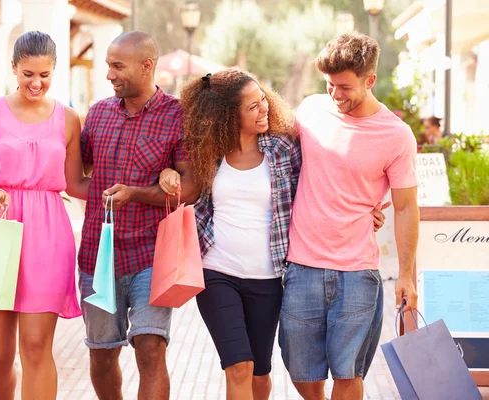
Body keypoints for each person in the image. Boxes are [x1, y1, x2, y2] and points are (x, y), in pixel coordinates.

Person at [158, 70, 387, 400]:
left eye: (262, 100)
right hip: (216, 272)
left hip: (269, 279)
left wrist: (366, 212)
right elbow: (181, 176)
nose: (263, 108)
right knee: (238, 366)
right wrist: (168, 172)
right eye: (252, 106)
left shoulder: (284, 149)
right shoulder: (208, 152)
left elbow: (325, 186)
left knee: (260, 372)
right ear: (227, 114)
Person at [279, 32, 419, 400]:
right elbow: (279, 162)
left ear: (370, 80)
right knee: (301, 372)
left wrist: (406, 276)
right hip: (302, 265)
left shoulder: (396, 135)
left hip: (358, 272)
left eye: (344, 87)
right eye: (329, 85)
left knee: (348, 372)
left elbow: (405, 207)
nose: (336, 95)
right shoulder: (309, 111)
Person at [0, 31, 86, 400]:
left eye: (45, 75)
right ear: (14, 68)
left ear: (54, 71)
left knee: (35, 347)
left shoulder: (68, 119)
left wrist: (139, 190)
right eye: (28, 73)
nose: (36, 83)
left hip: (48, 234)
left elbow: (75, 183)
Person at [77, 31, 197, 400]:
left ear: (147, 65)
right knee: (102, 354)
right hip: (98, 257)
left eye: (117, 66)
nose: (109, 74)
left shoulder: (177, 116)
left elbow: (190, 188)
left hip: (151, 257)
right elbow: (78, 171)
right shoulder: (97, 114)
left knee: (150, 347)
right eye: (108, 65)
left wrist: (140, 194)